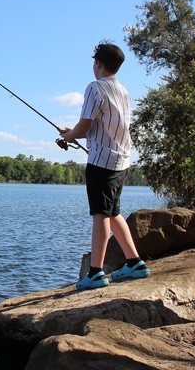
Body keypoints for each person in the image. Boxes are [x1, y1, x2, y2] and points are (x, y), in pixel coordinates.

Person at [59, 41, 150, 290]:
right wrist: (74, 133)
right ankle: (135, 263)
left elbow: (85, 126)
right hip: (122, 161)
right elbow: (102, 127)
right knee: (113, 212)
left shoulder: (95, 88)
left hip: (101, 162)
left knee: (100, 213)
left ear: (97, 63)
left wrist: (69, 136)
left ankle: (96, 273)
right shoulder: (123, 92)